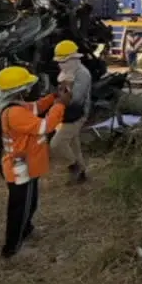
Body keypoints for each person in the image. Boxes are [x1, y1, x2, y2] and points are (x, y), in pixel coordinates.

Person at [0, 65, 68, 258]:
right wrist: (60, 105)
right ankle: (12, 249)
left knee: (29, 202)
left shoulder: (16, 106)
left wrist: (52, 98)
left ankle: (26, 230)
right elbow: (45, 126)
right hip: (21, 169)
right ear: (20, 89)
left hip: (25, 166)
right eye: (26, 85)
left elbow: (36, 107)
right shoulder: (15, 113)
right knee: (20, 208)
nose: (29, 88)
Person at [50, 40, 92, 184]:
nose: (60, 64)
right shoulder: (67, 72)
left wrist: (62, 95)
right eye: (59, 61)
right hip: (66, 114)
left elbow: (76, 99)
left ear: (74, 59)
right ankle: (82, 175)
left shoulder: (82, 74)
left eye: (64, 61)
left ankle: (74, 166)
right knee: (74, 145)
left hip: (76, 115)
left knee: (57, 143)